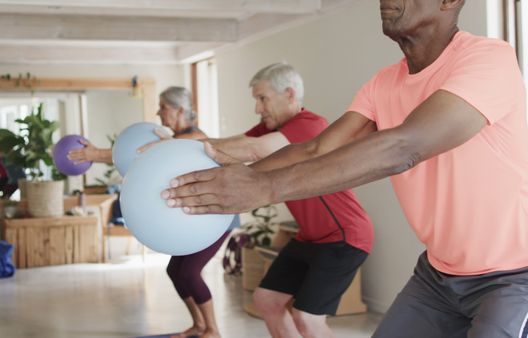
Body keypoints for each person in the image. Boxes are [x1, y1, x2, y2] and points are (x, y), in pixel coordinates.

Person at [163, 1, 528, 337]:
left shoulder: (489, 59)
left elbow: (406, 146)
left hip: (515, 277)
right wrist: (241, 182)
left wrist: (263, 188)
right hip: (438, 275)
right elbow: (317, 148)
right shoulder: (384, 83)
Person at [163, 64, 372, 338]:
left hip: (344, 236)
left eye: (262, 99)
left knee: (307, 317)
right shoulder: (269, 128)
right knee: (267, 300)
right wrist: (178, 146)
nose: (257, 108)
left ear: (289, 94)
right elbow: (232, 142)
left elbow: (254, 149)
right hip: (310, 238)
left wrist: (176, 146)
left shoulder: (309, 125)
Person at [68, 86, 232, 338]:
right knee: (174, 272)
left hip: (216, 218)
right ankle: (199, 325)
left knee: (188, 272)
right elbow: (135, 157)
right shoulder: (172, 138)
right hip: (196, 216)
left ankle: (213, 329)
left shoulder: (193, 138)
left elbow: (138, 154)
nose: (158, 112)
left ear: (179, 110)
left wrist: (93, 154)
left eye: (163, 107)